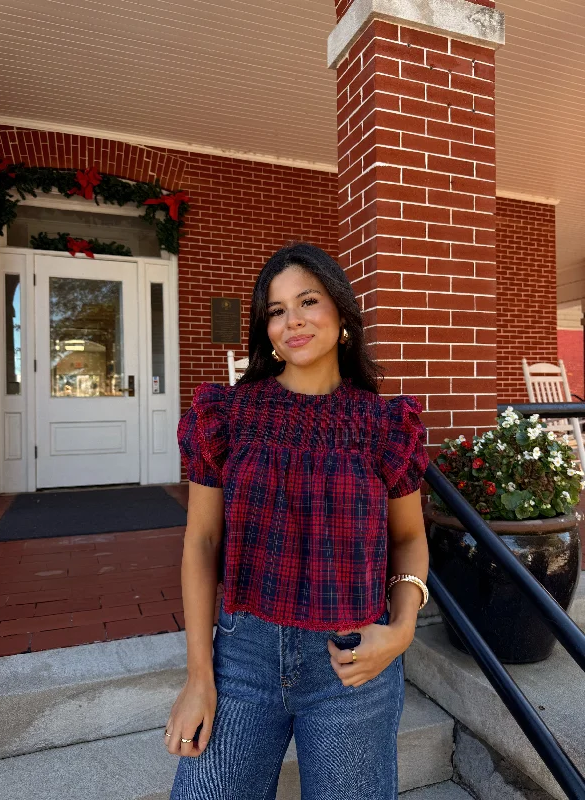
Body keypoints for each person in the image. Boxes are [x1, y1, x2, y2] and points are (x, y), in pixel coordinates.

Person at [166, 242, 431, 800]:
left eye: (307, 301)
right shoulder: (227, 417)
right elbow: (201, 541)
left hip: (354, 664)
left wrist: (402, 630)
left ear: (341, 315)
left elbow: (408, 538)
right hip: (243, 658)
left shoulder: (384, 424)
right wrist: (197, 676)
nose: (293, 321)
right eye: (276, 310)